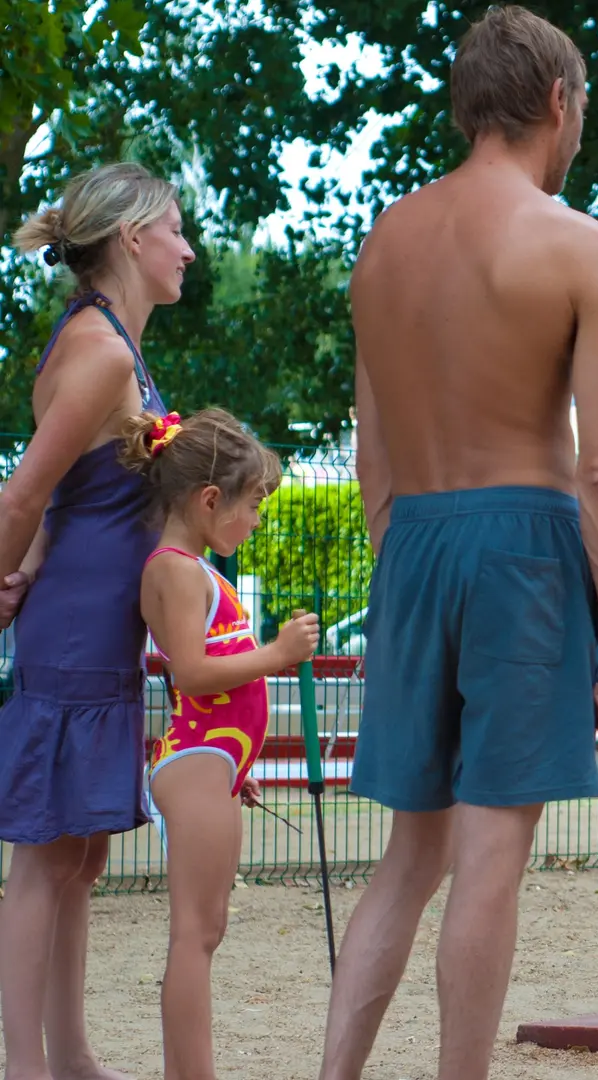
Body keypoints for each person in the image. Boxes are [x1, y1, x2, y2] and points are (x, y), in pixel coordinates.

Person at [317, 8, 598, 1080]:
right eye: (582, 108)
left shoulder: (384, 242)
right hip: (524, 541)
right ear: (558, 100)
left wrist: (409, 564)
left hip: (411, 538)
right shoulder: (579, 245)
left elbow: (373, 456)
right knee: (492, 850)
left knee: (409, 855)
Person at [0, 161, 194, 1080]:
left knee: (78, 856)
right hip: (76, 633)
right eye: (177, 231)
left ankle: (70, 1055)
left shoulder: (112, 341)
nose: (188, 250)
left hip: (95, 627)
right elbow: (23, 493)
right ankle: (26, 1066)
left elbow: (63, 502)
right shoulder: (103, 349)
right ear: (132, 239)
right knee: (46, 858)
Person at [122, 408, 321, 1079]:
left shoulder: (196, 569)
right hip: (198, 768)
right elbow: (193, 673)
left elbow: (207, 691)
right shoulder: (177, 570)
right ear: (211, 500)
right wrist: (277, 654)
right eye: (255, 505)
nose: (258, 520)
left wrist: (235, 761)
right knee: (193, 935)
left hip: (215, 767)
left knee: (205, 931)